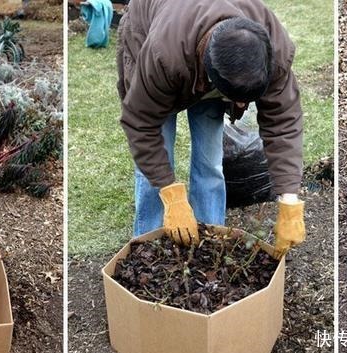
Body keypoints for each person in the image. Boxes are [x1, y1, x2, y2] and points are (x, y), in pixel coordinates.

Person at [117, 0, 306, 257]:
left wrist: (289, 199)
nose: (241, 105)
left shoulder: (273, 48)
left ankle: (211, 242)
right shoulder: (164, 54)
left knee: (210, 161)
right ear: (210, 74)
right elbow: (141, 123)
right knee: (156, 160)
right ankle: (147, 246)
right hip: (154, 37)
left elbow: (283, 122)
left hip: (203, 56)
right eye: (237, 99)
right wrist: (172, 194)